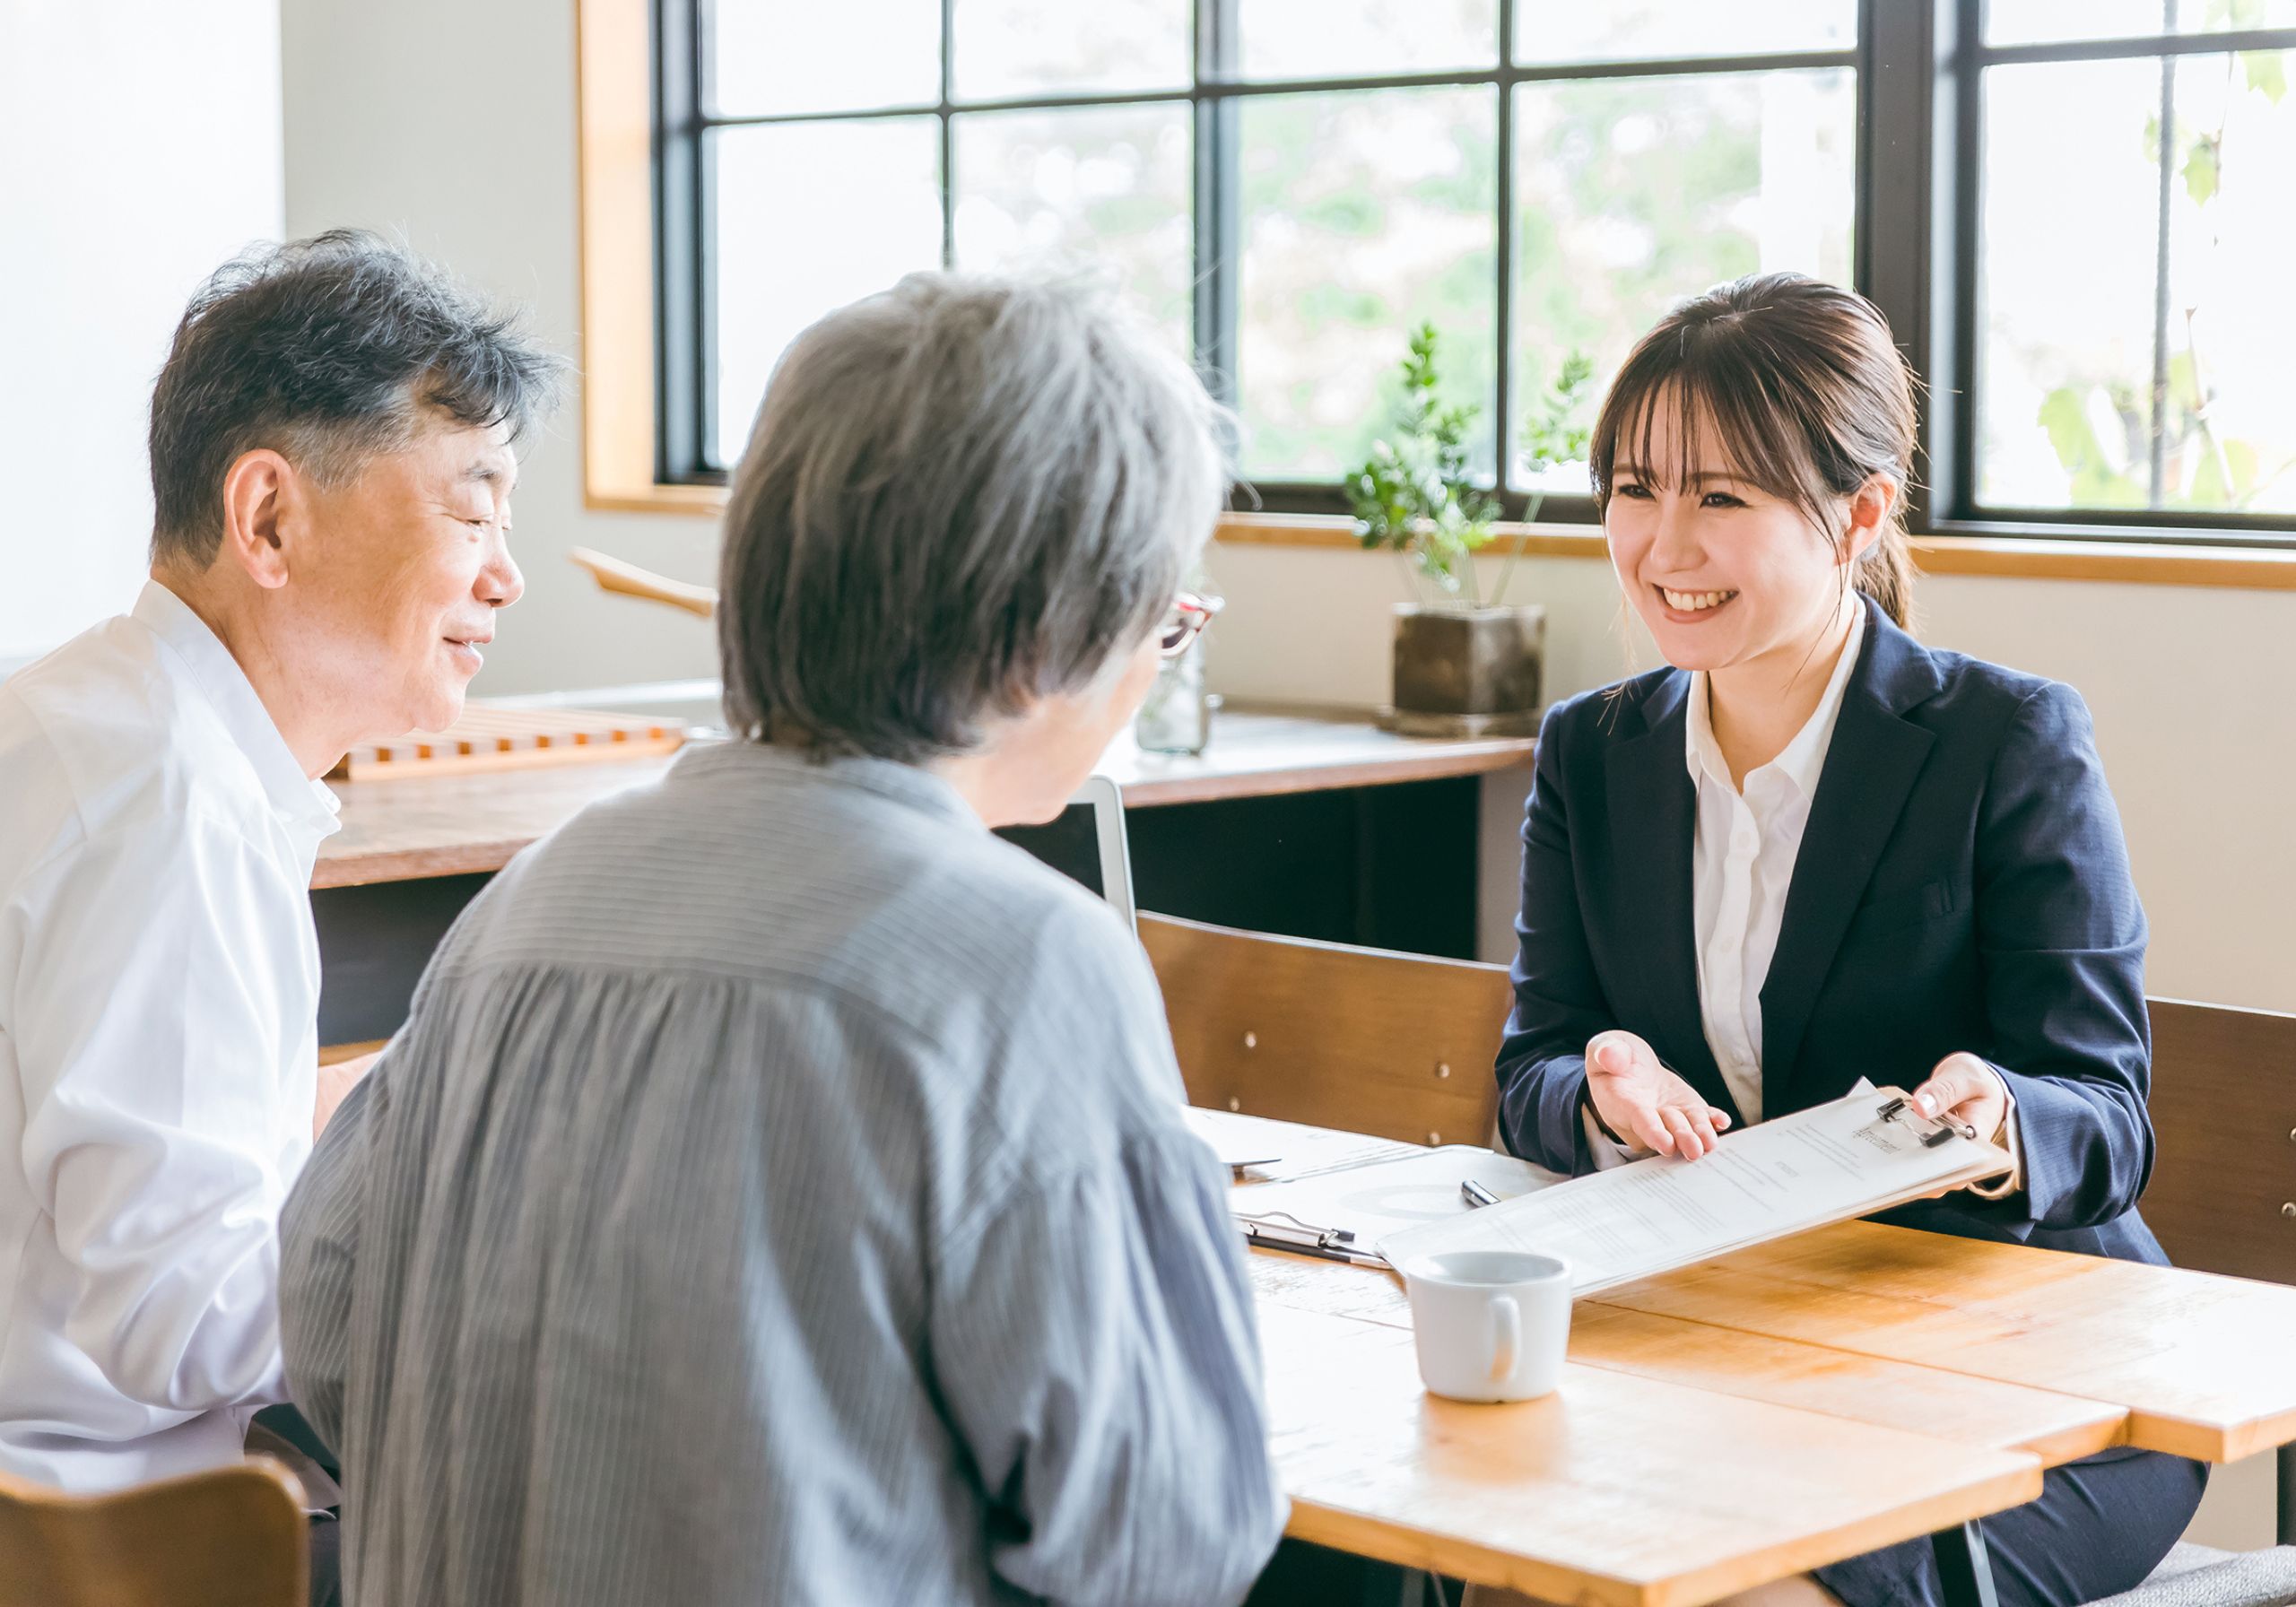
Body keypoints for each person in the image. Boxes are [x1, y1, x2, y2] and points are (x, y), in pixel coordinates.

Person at [277, 274, 1288, 1606]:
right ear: (1048, 636)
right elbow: (1164, 1536)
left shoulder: (528, 904)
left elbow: (329, 1327)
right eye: (1163, 615)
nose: (1157, 657)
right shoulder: (1022, 963)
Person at [1493, 273, 2202, 1607]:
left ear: (1860, 513)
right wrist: (1602, 1091)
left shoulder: (2006, 741)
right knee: (1510, 1563)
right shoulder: (1593, 753)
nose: (1662, 545)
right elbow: (1531, 1063)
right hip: (1734, 1347)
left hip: (2032, 1369)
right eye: (1636, 488)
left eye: (1722, 497)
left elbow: (2106, 1116)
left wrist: (1997, 1114)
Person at [0, 230, 558, 1588]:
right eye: (472, 511)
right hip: (118, 1540)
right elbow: (181, 1320)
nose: (508, 574)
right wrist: (495, 1247)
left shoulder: (84, 715)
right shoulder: (170, 805)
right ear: (268, 519)